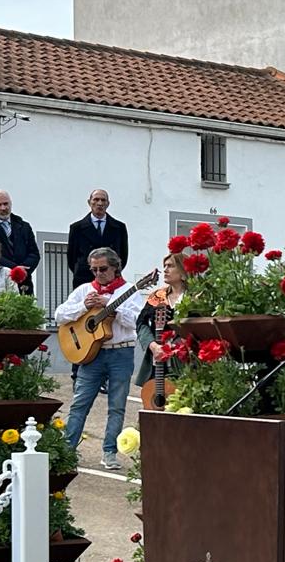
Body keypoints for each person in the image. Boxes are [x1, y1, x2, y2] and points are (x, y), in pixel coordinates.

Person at [53, 247, 142, 469]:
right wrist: (85, 306)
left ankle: (109, 453)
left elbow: (138, 321)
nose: (98, 274)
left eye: (103, 269)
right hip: (90, 354)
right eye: (93, 270)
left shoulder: (130, 290)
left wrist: (115, 310)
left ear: (115, 267)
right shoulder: (84, 290)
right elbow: (59, 315)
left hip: (122, 351)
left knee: (117, 406)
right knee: (79, 403)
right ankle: (67, 450)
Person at [135, 252, 186, 396]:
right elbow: (141, 323)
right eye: (165, 266)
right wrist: (153, 346)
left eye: (170, 266)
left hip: (185, 360)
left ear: (182, 270)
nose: (165, 270)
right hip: (158, 360)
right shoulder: (157, 296)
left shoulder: (196, 296)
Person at [67, 189, 128, 288]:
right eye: (96, 199)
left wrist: (110, 271)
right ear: (89, 202)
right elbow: (72, 258)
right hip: (84, 280)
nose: (99, 203)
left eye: (103, 200)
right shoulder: (77, 228)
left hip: (111, 280)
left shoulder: (119, 227)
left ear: (108, 204)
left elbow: (123, 256)